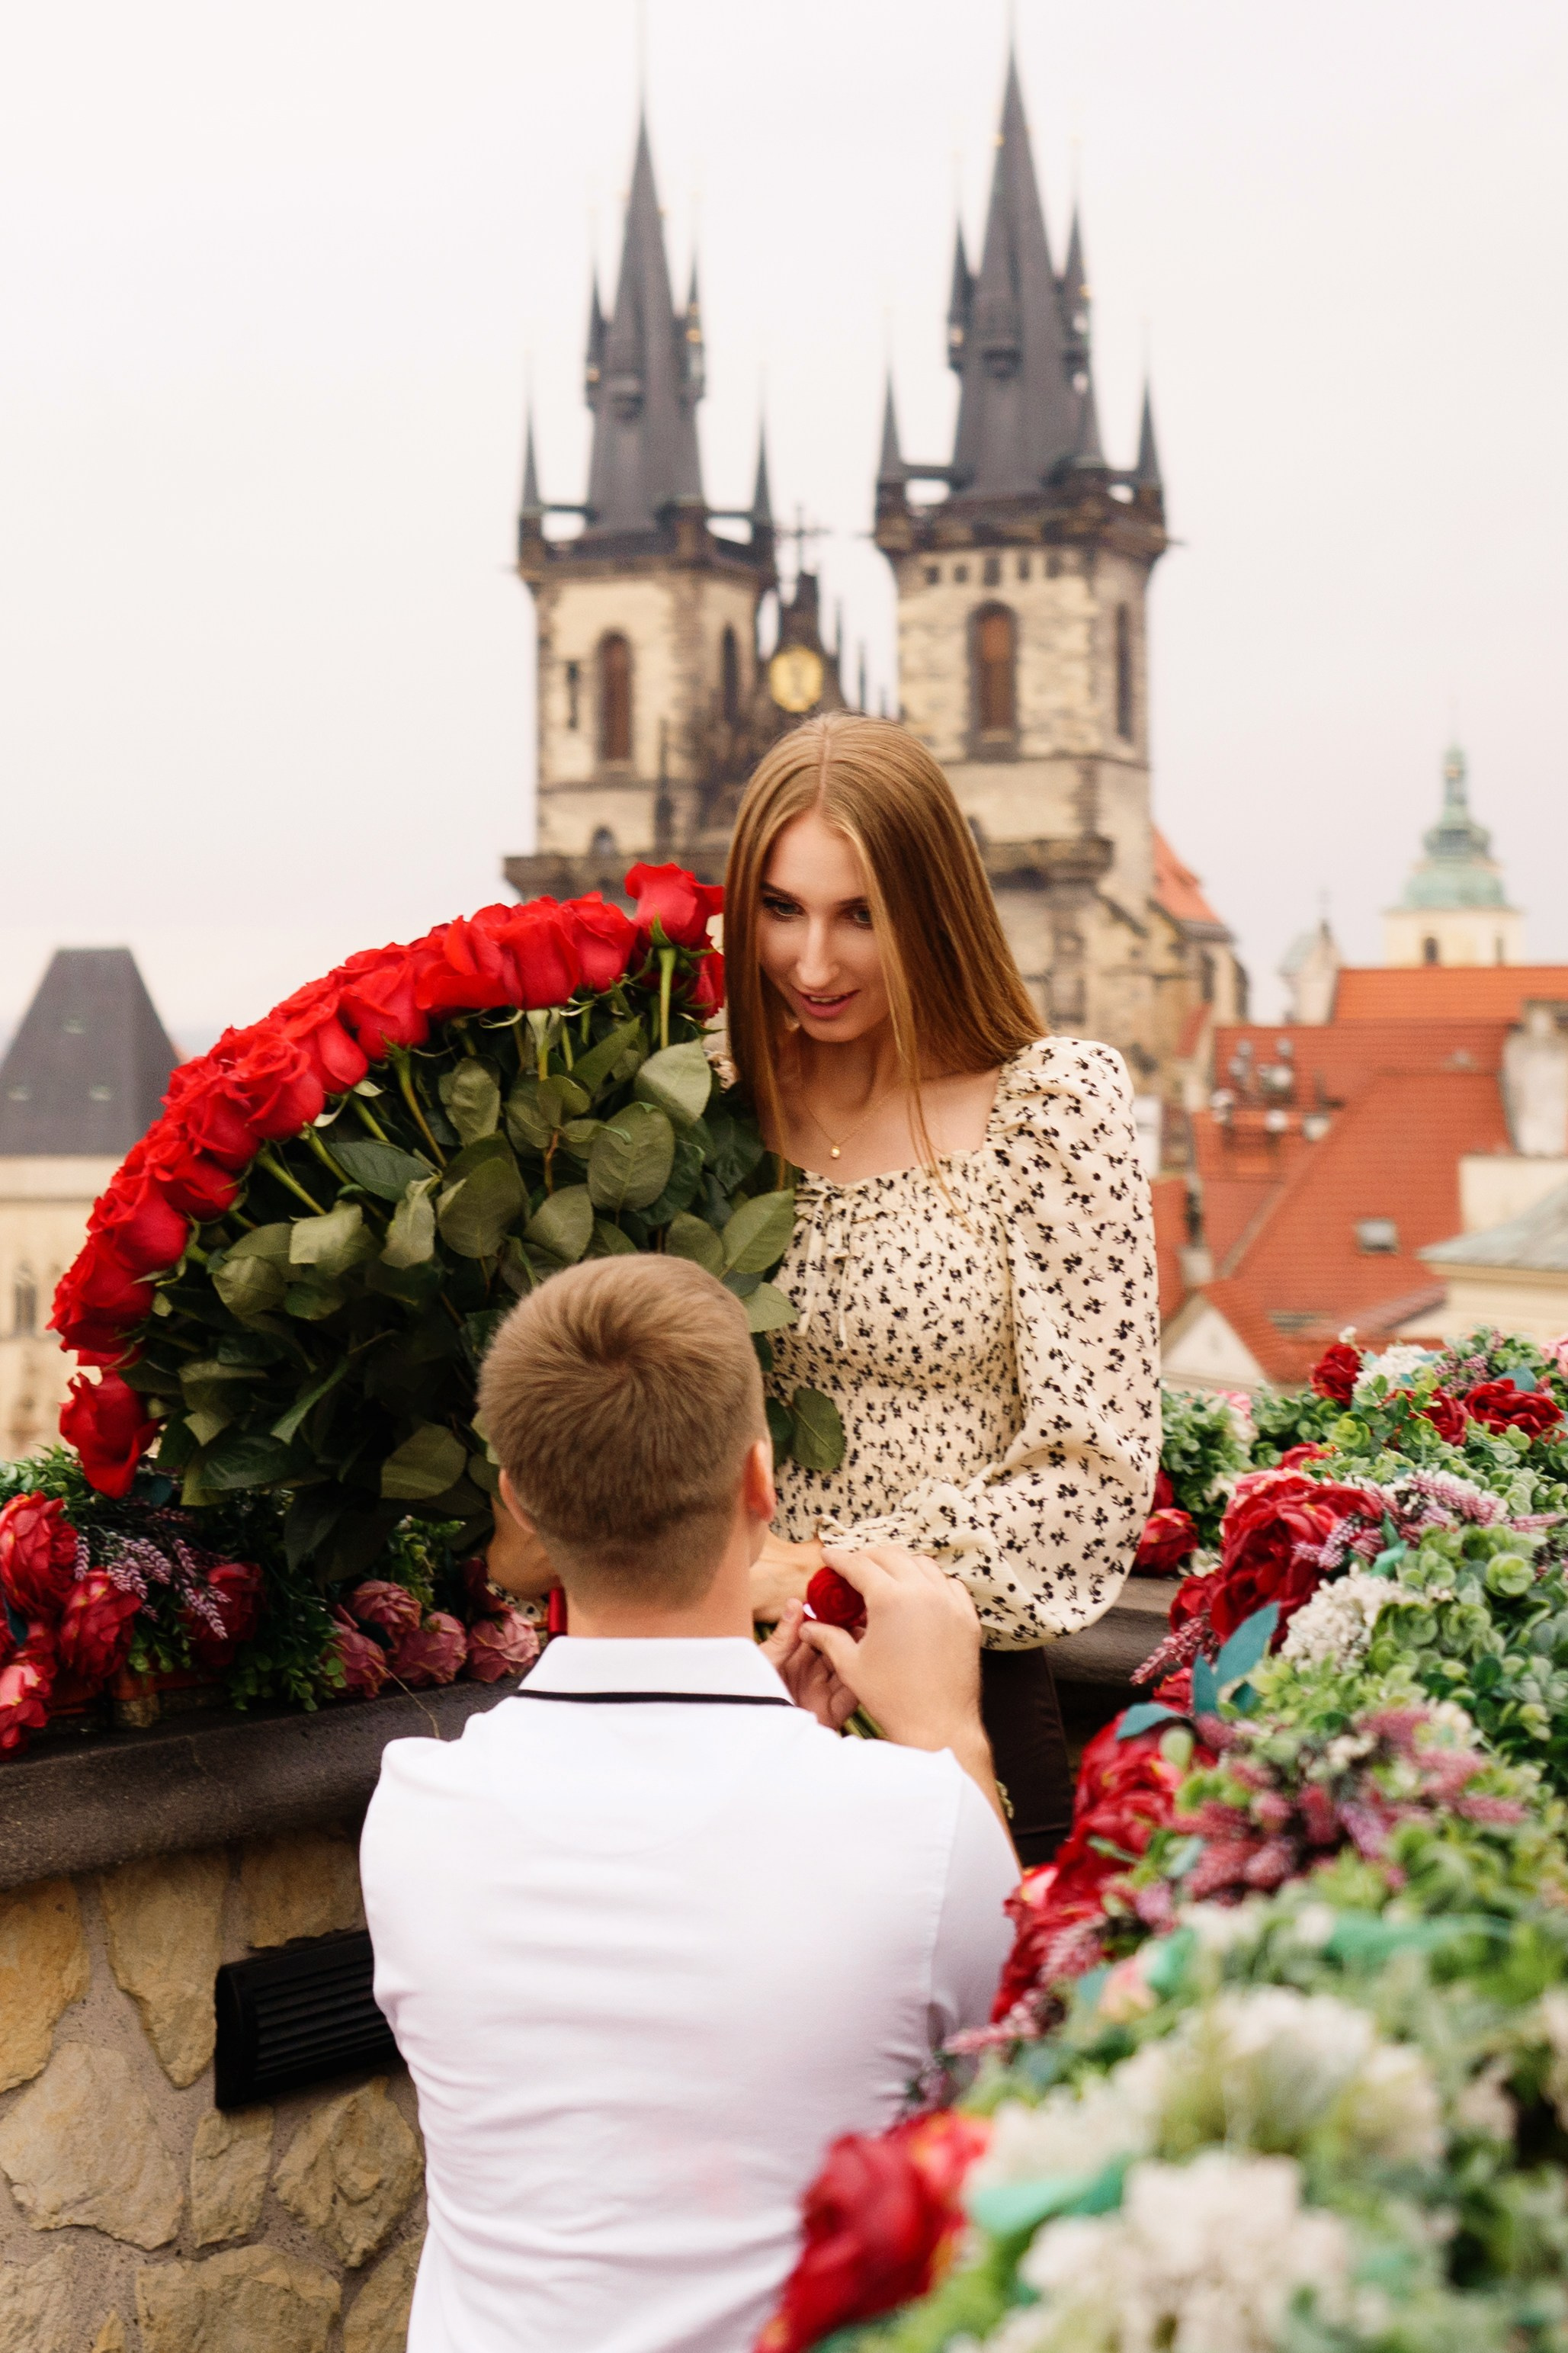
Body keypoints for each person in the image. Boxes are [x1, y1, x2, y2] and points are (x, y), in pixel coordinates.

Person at [361, 1254, 1017, 2353]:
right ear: (760, 1481)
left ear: (520, 1500)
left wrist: (778, 1743)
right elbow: (1034, 2071)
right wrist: (950, 1735)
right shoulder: (917, 1824)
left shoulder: (417, 1808)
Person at [726, 711, 1160, 1864]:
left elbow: (1090, 1480)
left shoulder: (1049, 1108)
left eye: (858, 913)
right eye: (782, 909)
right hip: (713, 1711)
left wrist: (806, 1579)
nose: (812, 963)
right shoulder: (702, 1105)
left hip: (950, 1715)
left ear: (931, 905)